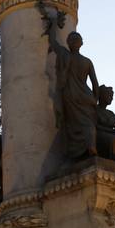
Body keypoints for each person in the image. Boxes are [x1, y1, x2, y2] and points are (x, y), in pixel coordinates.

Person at [46, 24, 99, 160]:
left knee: (73, 125)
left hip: (71, 95)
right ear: (81, 43)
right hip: (86, 96)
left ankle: (80, 150)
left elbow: (52, 41)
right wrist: (95, 100)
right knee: (88, 123)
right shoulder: (87, 61)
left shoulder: (64, 54)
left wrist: (52, 23)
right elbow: (95, 84)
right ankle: (90, 146)